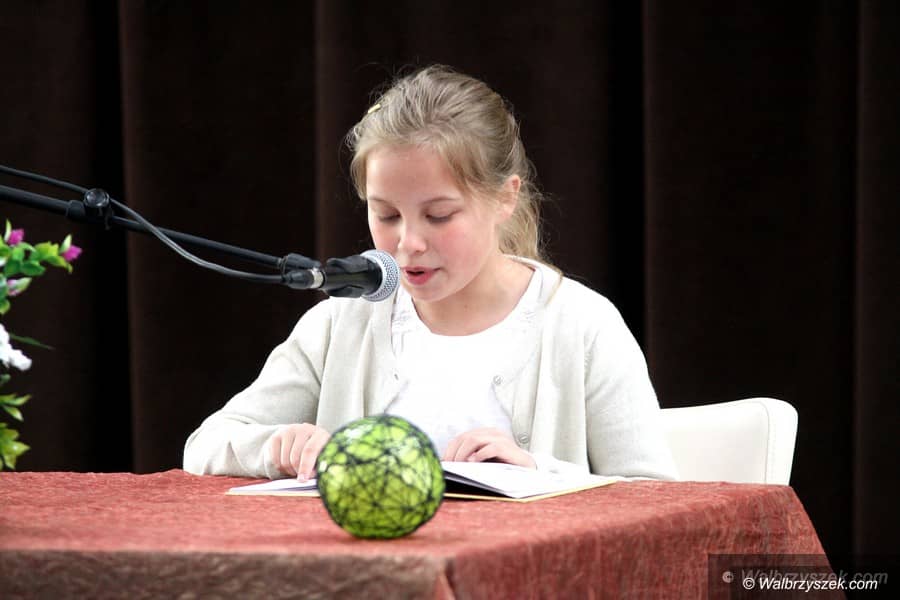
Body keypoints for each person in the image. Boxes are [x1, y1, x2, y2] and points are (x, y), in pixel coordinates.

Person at [183, 65, 678, 482]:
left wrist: (538, 473)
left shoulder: (584, 326)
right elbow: (205, 445)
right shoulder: (339, 324)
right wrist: (276, 446)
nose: (409, 243)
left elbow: (661, 502)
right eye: (386, 214)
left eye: (439, 216)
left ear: (505, 197)